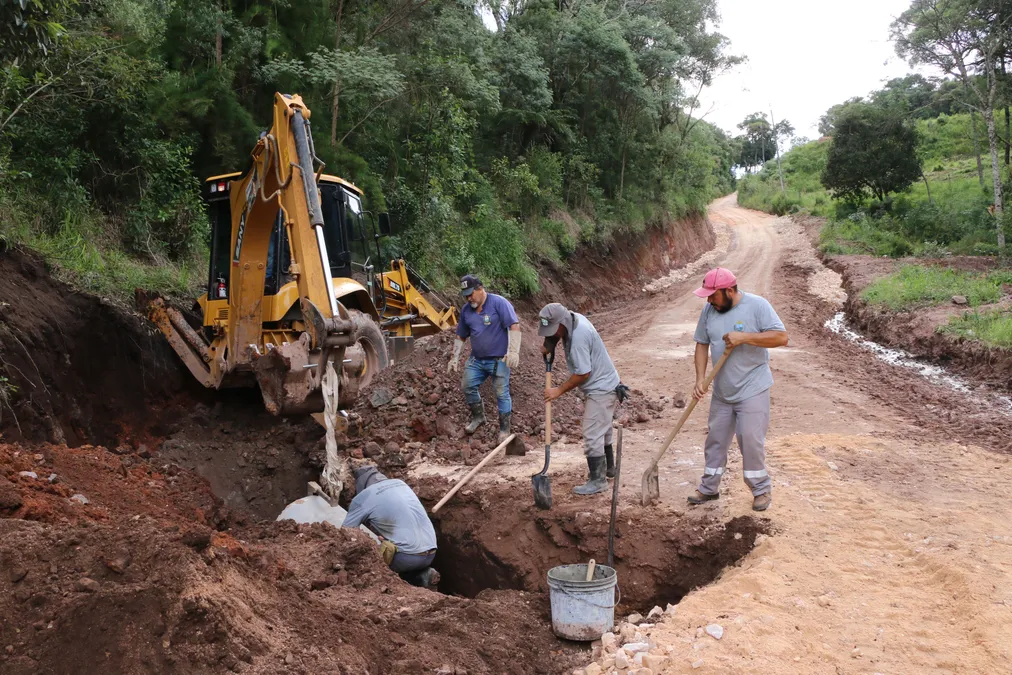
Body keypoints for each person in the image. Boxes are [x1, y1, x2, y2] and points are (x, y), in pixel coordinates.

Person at [687, 267, 788, 512]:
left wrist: (745, 338)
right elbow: (701, 344)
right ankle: (709, 488)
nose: (709, 300)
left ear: (729, 290)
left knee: (749, 440)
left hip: (752, 387)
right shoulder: (709, 310)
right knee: (716, 440)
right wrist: (700, 379)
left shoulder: (758, 306)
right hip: (723, 391)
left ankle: (761, 490)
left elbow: (781, 337)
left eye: (713, 295)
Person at [538, 302, 626, 496]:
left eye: (553, 330)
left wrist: (558, 391)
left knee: (592, 432)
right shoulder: (571, 319)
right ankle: (609, 469)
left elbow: (583, 373)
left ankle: (598, 480)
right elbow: (556, 334)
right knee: (602, 429)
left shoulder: (579, 337)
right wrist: (549, 345)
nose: (551, 333)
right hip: (606, 383)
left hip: (601, 388)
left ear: (562, 324)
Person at [447, 274, 522, 442]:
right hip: (477, 360)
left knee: (501, 393)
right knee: (467, 385)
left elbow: (514, 325)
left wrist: (513, 351)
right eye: (465, 295)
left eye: (471, 293)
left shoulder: (499, 303)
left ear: (480, 289)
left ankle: (504, 430)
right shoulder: (467, 310)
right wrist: (454, 358)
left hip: (499, 360)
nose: (468, 298)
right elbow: (460, 335)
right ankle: (478, 417)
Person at [343, 465, 439, 588]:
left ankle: (408, 581)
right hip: (431, 552)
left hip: (405, 559)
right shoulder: (401, 484)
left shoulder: (364, 496)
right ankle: (424, 574)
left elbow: (345, 532)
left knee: (365, 557)